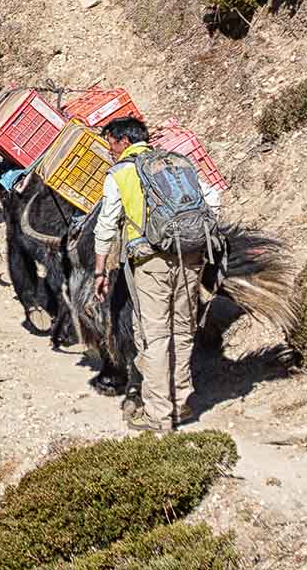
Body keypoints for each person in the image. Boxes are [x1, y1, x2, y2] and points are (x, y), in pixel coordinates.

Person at [92, 116, 220, 432]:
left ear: (124, 141)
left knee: (155, 336)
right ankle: (181, 403)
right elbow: (213, 200)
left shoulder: (121, 173)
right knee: (183, 329)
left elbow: (105, 225)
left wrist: (100, 271)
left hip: (151, 263)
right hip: (190, 255)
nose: (110, 150)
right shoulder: (177, 163)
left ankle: (158, 414)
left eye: (111, 143)